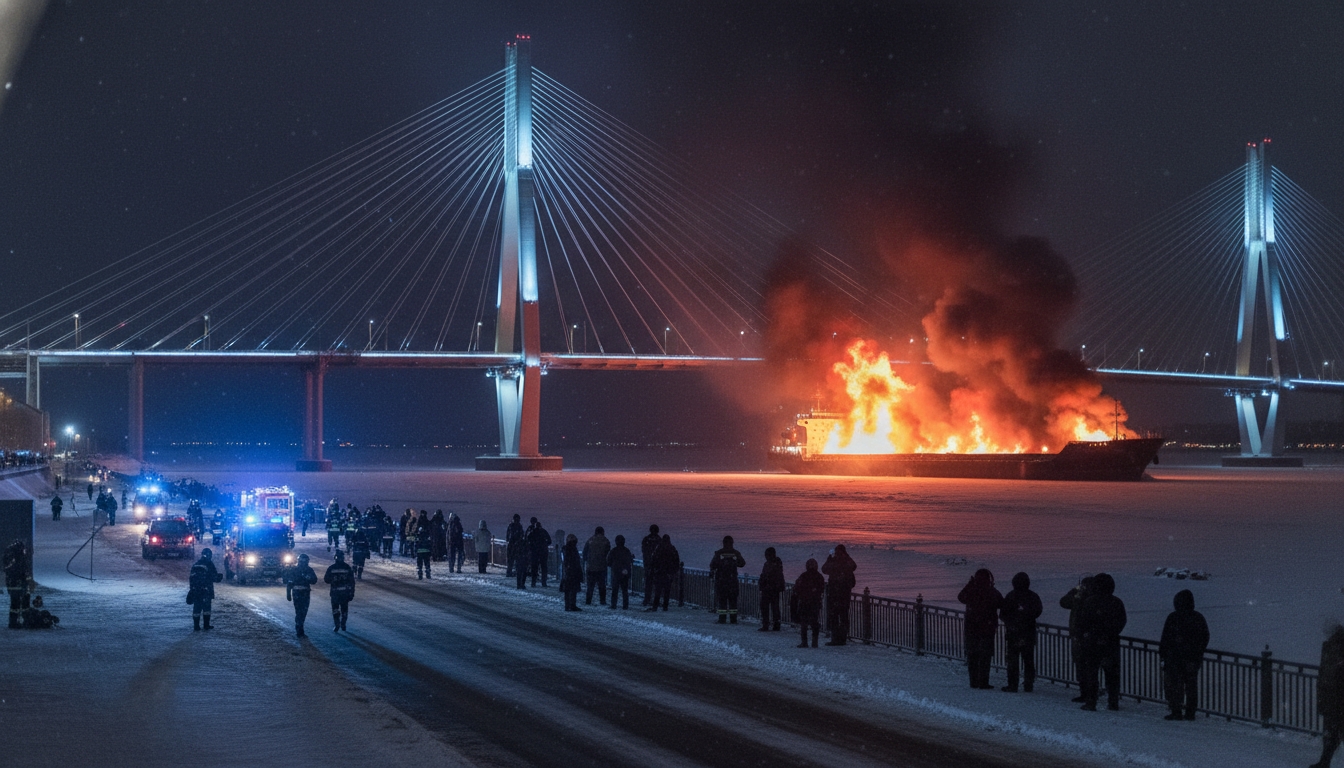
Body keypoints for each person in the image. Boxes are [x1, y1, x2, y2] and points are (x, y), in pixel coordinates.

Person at [1077, 572, 1127, 711]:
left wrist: (1087, 636)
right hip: (1111, 644)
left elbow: (1082, 622)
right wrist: (1110, 634)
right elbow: (1121, 622)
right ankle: (1113, 702)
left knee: (1091, 675)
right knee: (1112, 676)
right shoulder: (1116, 602)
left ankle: (1091, 702)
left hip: (1092, 644)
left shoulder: (1090, 602)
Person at [1158, 589, 1209, 720]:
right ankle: (1190, 712)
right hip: (1191, 659)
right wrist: (1197, 652)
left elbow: (1165, 639)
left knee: (1175, 685)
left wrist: (1163, 654)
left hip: (1175, 659)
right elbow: (1205, 637)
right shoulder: (1197, 617)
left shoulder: (1173, 617)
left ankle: (1176, 711)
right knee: (1191, 686)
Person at [958, 568, 1003, 688]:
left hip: (971, 628)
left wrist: (970, 584)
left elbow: (961, 597)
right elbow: (1001, 602)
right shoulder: (991, 591)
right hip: (987, 628)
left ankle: (973, 682)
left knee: (972, 655)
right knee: (985, 656)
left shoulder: (971, 590)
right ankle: (983, 682)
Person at [1000, 572, 1043, 692]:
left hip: (1014, 634)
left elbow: (1002, 614)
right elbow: (1038, 611)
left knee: (1013, 661)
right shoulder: (1033, 596)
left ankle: (1013, 685)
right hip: (1028, 633)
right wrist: (1026, 617)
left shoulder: (1010, 596)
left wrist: (1012, 622)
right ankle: (1028, 684)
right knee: (1028, 660)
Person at [1059, 575, 1095, 703]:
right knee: (1082, 667)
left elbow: (1064, 602)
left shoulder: (1088, 600)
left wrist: (1076, 592)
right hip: (1080, 637)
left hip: (1084, 638)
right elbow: (1063, 602)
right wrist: (1075, 592)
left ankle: (1089, 694)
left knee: (1087, 667)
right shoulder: (1079, 598)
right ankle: (1086, 693)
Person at [1314, 621, 1344, 768]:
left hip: (1333, 699)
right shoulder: (1333, 648)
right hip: (1334, 700)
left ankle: (1324, 762)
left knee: (1330, 734)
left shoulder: (1332, 648)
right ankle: (1324, 762)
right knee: (1332, 734)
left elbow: (1327, 674)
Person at [821, 544, 857, 645]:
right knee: (843, 617)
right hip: (845, 595)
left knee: (834, 617)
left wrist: (829, 558)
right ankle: (842, 638)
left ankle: (836, 639)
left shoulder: (835, 562)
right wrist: (846, 556)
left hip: (835, 594)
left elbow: (824, 569)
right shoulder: (847, 562)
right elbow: (854, 566)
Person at [709, 535, 746, 624]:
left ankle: (722, 619)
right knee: (733, 602)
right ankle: (733, 619)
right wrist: (734, 561)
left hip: (722, 581)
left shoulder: (719, 553)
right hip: (732, 581)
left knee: (722, 601)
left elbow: (712, 565)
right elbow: (742, 563)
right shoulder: (736, 553)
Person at [793, 558, 825, 648]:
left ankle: (804, 642)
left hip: (805, 602)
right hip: (815, 602)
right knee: (814, 622)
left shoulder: (804, 576)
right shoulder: (819, 577)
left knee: (804, 622)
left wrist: (801, 593)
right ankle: (814, 642)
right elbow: (821, 589)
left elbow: (797, 587)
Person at [188, 548, 223, 631]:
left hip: (196, 589)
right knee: (206, 608)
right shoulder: (209, 564)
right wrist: (219, 577)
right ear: (209, 555)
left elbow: (191, 578)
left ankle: (196, 626)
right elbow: (213, 577)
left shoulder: (196, 564)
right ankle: (206, 625)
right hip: (206, 589)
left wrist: (192, 589)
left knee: (197, 608)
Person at [284, 553, 318, 637]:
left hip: (303, 593)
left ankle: (299, 626)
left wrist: (288, 593)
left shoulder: (307, 570)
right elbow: (289, 582)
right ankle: (299, 628)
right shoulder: (295, 570)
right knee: (301, 611)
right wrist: (288, 594)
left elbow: (314, 580)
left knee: (302, 611)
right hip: (299, 593)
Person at [645, 533, 678, 612]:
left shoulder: (658, 548)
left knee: (658, 591)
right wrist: (673, 572)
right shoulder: (672, 549)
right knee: (667, 591)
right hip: (668, 574)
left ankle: (655, 606)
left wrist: (653, 570)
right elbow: (676, 561)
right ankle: (665, 606)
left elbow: (653, 560)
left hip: (659, 573)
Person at [324, 550, 356, 632]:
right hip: (344, 593)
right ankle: (343, 624)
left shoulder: (331, 568)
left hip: (335, 593)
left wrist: (334, 579)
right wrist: (351, 592)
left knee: (335, 609)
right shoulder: (347, 567)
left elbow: (326, 580)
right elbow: (352, 582)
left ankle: (337, 624)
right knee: (344, 609)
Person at [758, 547, 785, 632]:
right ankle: (773, 624)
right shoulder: (770, 564)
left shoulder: (774, 564)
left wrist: (765, 583)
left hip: (771, 589)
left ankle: (769, 624)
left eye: (767, 555)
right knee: (772, 607)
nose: (766, 557)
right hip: (770, 589)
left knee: (770, 607)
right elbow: (764, 575)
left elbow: (769, 576)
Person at [583, 526, 612, 606]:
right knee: (602, 586)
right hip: (601, 567)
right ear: (602, 532)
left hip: (591, 567)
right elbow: (608, 552)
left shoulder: (590, 540)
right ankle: (602, 601)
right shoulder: (605, 541)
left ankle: (588, 600)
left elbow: (584, 553)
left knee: (590, 586)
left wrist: (588, 561)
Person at [4, 540, 30, 629]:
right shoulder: (18, 560)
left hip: (15, 585)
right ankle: (16, 622)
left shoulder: (13, 559)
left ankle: (15, 622)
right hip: (17, 585)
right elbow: (22, 572)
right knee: (17, 604)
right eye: (23, 549)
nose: (25, 551)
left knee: (16, 604)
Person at [607, 534, 634, 610]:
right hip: (625, 573)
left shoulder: (613, 551)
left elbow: (608, 562)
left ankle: (613, 605)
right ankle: (625, 606)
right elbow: (630, 560)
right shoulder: (627, 551)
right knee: (625, 591)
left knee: (615, 590)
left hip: (616, 573)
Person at [560, 534, 584, 611]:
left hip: (567, 572)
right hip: (573, 571)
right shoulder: (572, 549)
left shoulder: (565, 549)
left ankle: (567, 605)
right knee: (573, 589)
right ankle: (572, 605)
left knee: (567, 590)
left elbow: (565, 561)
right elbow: (575, 561)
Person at [526, 517, 552, 588]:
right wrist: (544, 545)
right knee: (544, 568)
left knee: (534, 568)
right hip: (543, 552)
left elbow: (527, 540)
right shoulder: (543, 531)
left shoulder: (532, 532)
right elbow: (549, 541)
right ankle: (544, 583)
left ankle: (533, 583)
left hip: (535, 552)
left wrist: (532, 547)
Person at [640, 524, 661, 605]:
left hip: (648, 565)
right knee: (657, 585)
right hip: (657, 566)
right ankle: (656, 600)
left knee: (648, 584)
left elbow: (644, 552)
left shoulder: (646, 539)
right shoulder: (659, 540)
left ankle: (647, 599)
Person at [505, 514, 524, 578]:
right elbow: (522, 535)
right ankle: (516, 572)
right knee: (517, 560)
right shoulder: (519, 526)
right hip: (517, 546)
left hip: (511, 545)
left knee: (510, 560)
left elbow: (507, 537)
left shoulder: (510, 526)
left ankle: (509, 572)